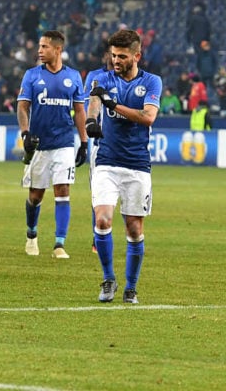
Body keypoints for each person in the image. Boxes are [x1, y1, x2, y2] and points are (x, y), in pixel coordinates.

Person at [85, 29, 162, 304]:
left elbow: (147, 117)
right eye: (113, 55)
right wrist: (91, 121)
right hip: (106, 161)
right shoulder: (101, 78)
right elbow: (94, 101)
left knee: (134, 229)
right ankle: (108, 279)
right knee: (103, 219)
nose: (115, 60)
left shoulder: (152, 82)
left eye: (122, 56)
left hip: (137, 165)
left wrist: (114, 105)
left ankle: (131, 287)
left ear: (136, 56)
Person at [17, 30, 88, 259]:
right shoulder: (31, 75)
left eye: (44, 46)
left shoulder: (74, 77)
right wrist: (25, 133)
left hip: (64, 142)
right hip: (39, 144)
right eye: (39, 46)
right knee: (35, 195)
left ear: (58, 49)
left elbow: (79, 111)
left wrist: (84, 141)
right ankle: (31, 234)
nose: (39, 50)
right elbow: (23, 107)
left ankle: (59, 244)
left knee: (63, 190)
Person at [83, 49, 113, 254]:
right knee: (99, 191)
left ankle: (133, 238)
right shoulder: (95, 77)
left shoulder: (130, 78)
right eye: (110, 53)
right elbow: (88, 104)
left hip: (122, 142)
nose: (113, 58)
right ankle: (97, 238)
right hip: (100, 142)